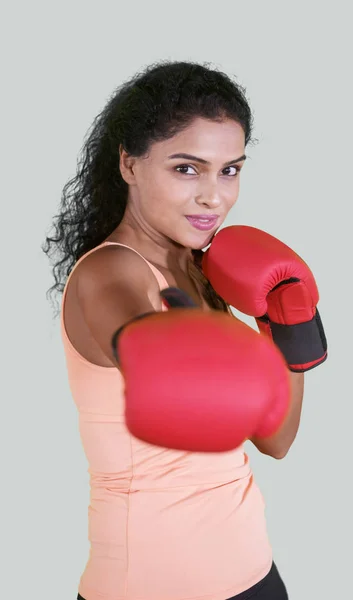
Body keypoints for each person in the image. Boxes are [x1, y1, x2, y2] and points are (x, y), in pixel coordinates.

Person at [43, 60, 318, 600]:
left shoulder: (200, 270)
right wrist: (179, 349)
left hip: (255, 575)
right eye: (187, 169)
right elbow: (158, 365)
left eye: (230, 170)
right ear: (129, 164)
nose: (213, 197)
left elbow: (276, 439)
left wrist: (287, 322)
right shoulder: (109, 273)